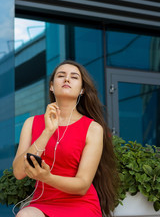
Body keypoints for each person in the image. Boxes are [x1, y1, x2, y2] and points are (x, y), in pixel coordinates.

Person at [13, 60, 118, 217]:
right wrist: (47, 131)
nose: (67, 79)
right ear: (51, 86)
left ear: (82, 90)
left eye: (74, 77)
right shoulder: (31, 123)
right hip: (43, 202)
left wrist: (47, 178)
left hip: (80, 204)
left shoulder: (93, 128)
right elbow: (19, 172)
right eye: (61, 75)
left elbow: (82, 185)